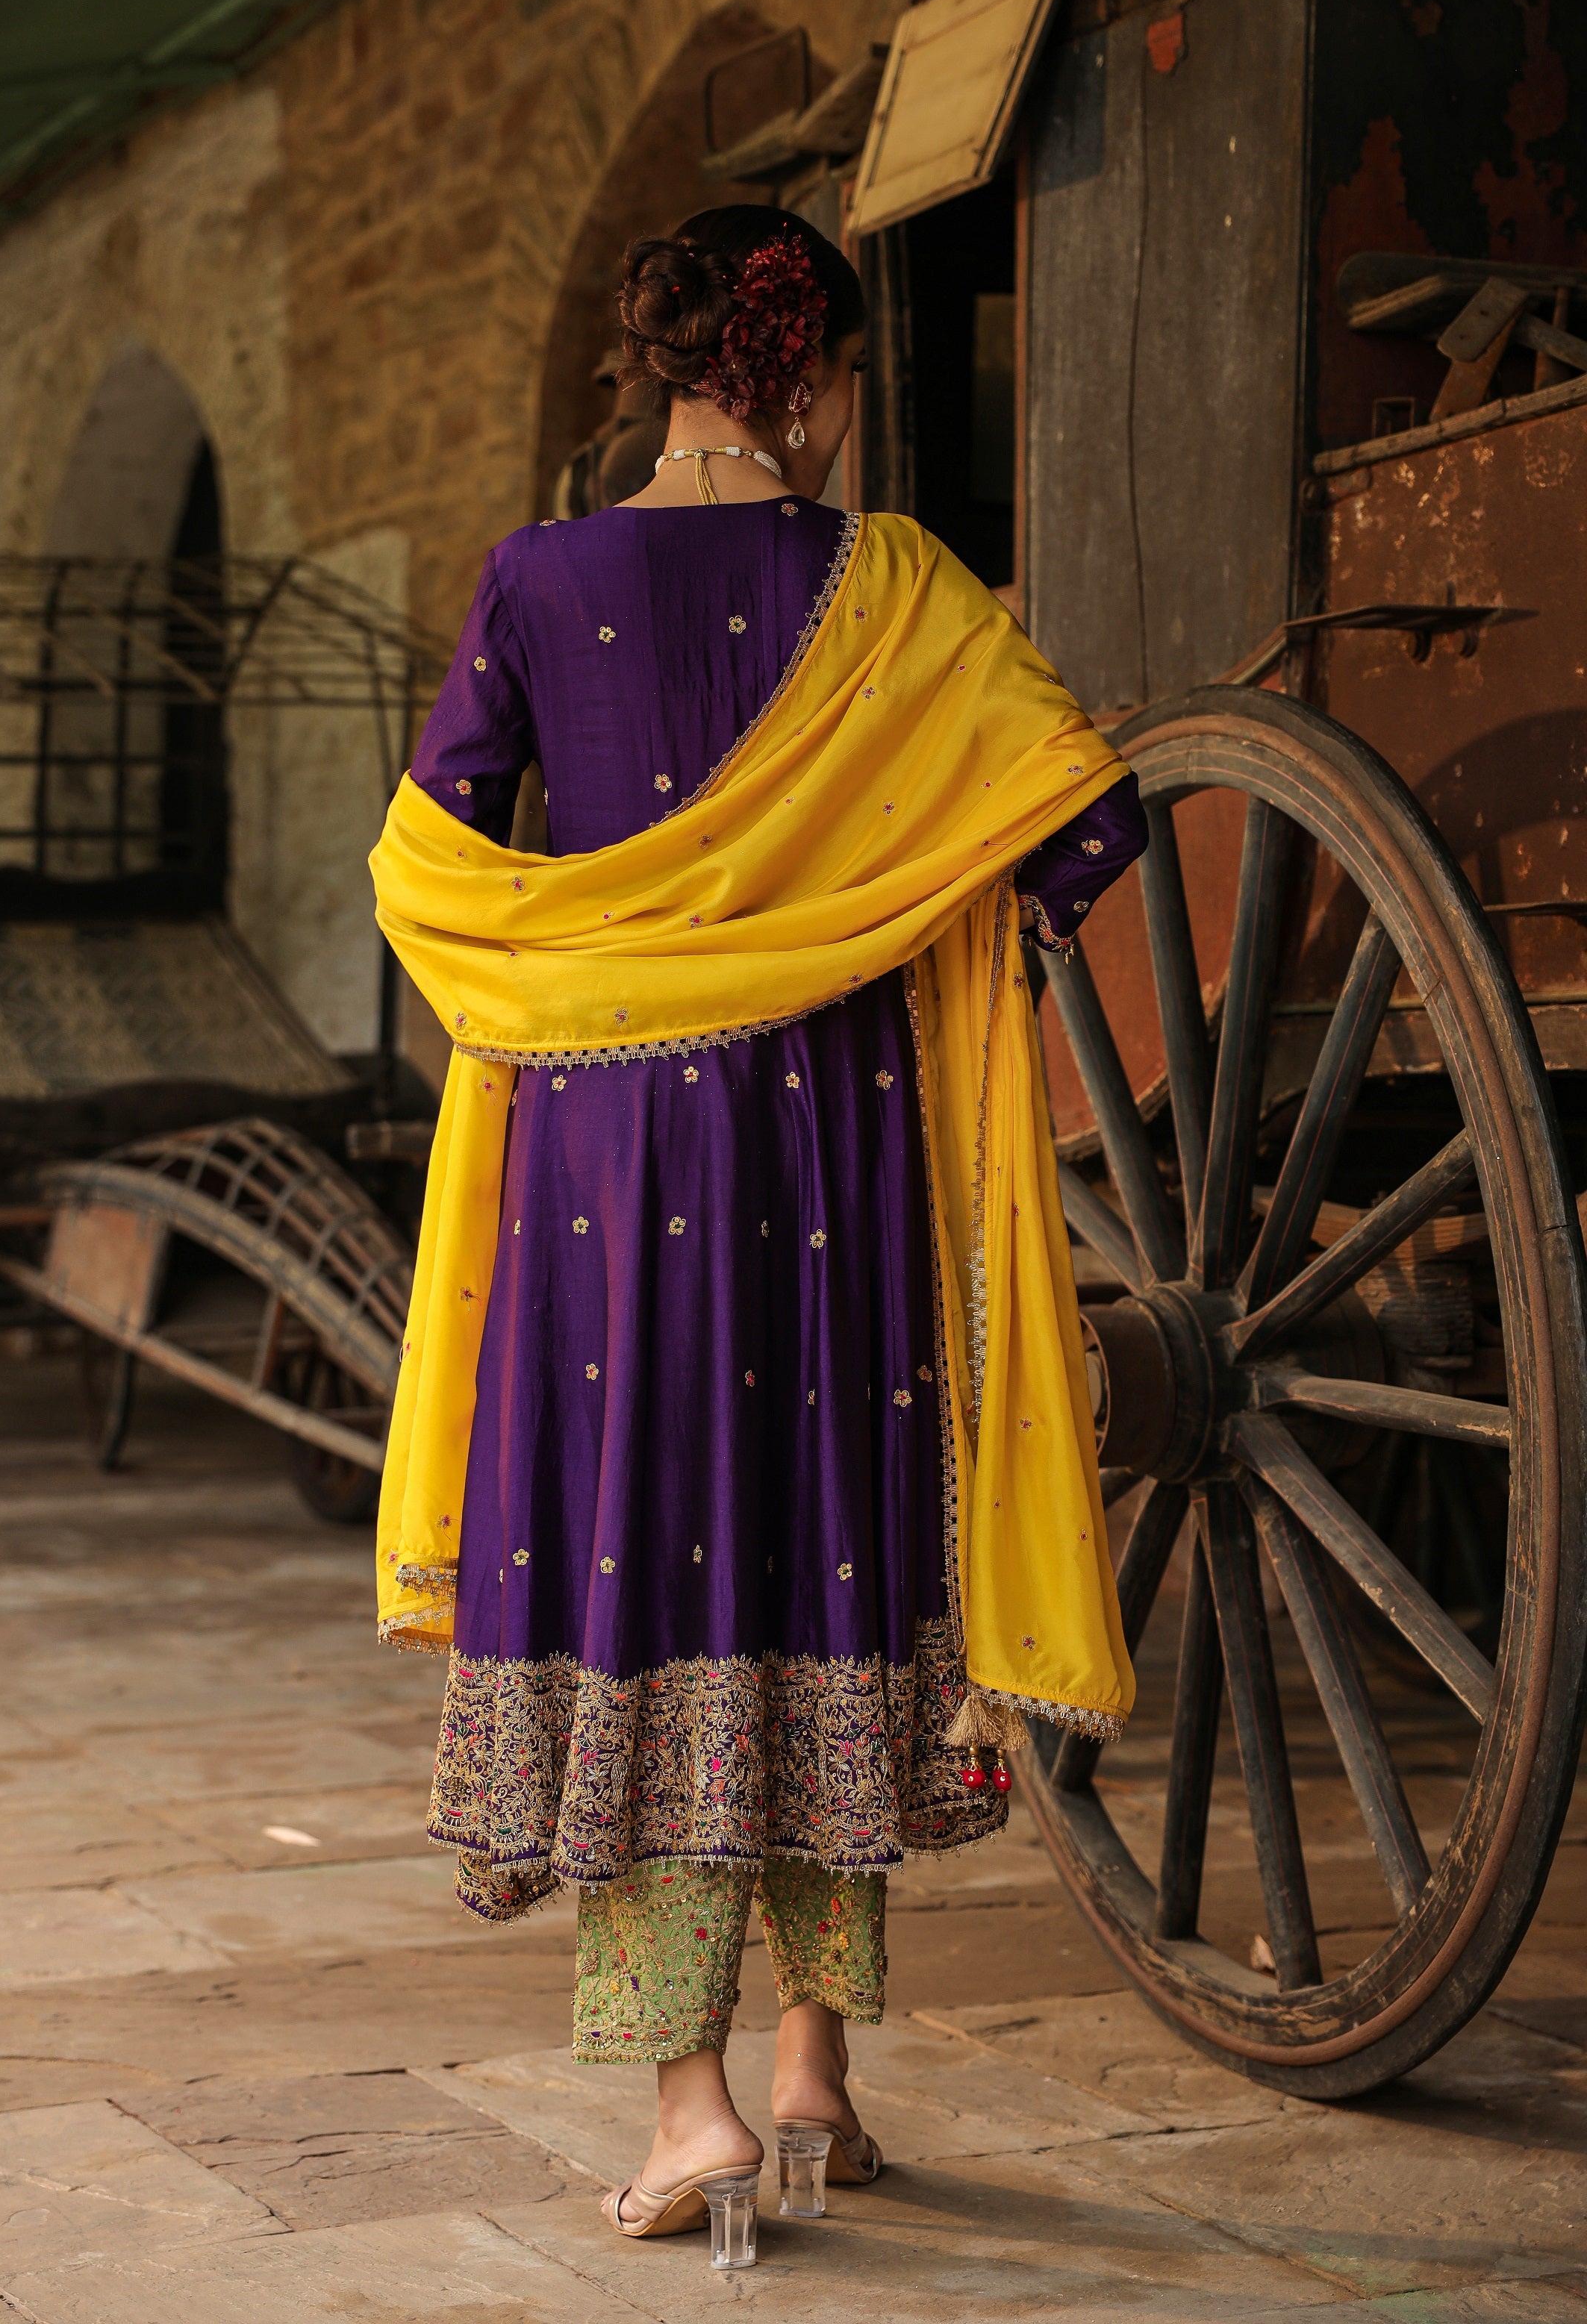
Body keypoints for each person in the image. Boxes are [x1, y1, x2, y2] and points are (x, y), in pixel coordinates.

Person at [370, 204, 1148, 2264]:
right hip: (840, 1137)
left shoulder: (536, 579)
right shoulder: (891, 586)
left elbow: (429, 859)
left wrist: (571, 964)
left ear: (669, 369)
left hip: (612, 1147)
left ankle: (694, 2107)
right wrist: (906, 918)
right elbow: (1088, 815)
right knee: (825, 1545)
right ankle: (815, 2074)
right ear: (802, 377)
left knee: (641, 1548)